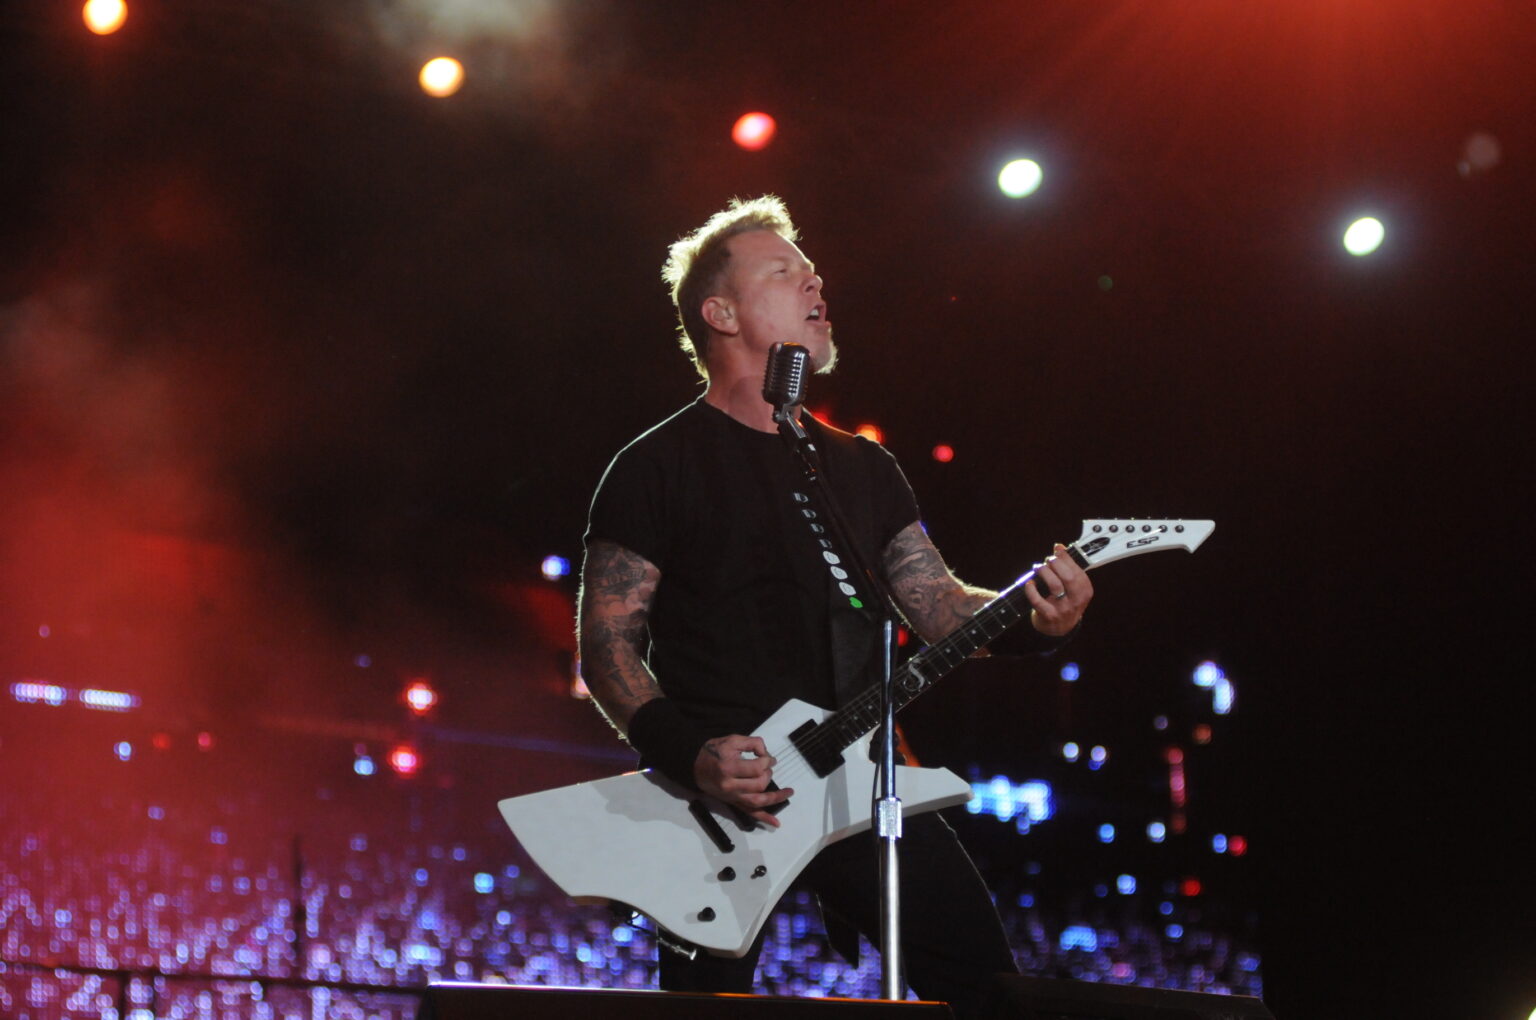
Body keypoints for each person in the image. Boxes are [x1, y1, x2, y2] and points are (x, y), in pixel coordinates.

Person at [577, 196, 1092, 1018]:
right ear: (721, 313)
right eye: (784, 272)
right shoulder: (655, 466)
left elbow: (938, 606)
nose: (815, 283)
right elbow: (607, 645)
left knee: (990, 993)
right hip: (717, 800)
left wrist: (1035, 617)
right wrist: (691, 754)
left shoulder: (861, 469)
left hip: (859, 783)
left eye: (812, 271)